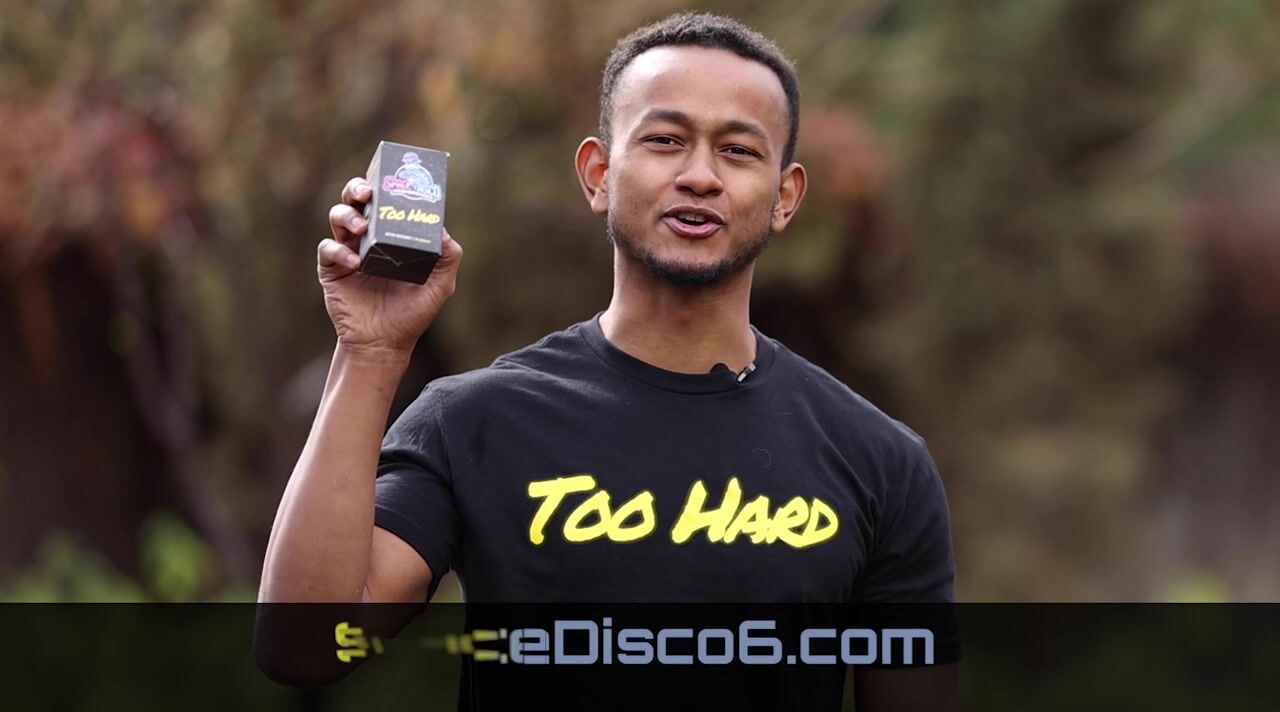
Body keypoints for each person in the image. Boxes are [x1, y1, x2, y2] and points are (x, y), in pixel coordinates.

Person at [257, 12, 957, 710]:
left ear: (784, 197)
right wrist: (370, 349)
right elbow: (305, 646)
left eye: (738, 151)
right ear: (598, 174)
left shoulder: (879, 463)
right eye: (665, 140)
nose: (700, 176)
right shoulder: (475, 422)